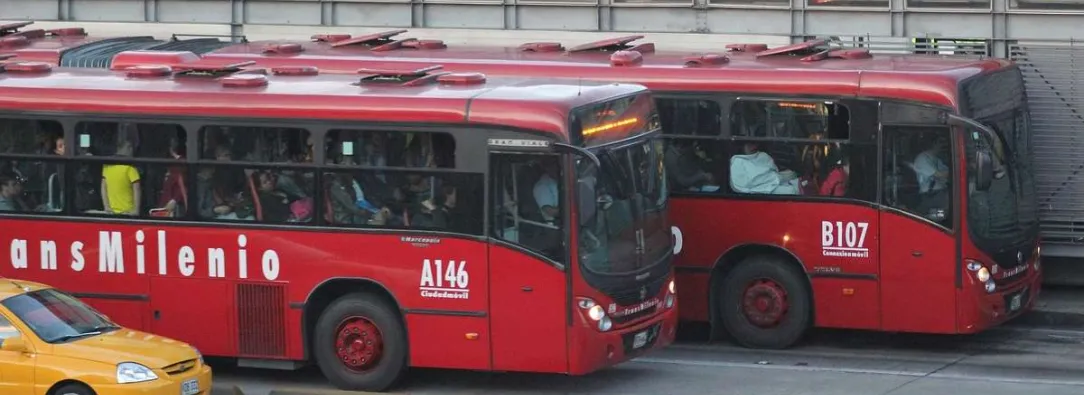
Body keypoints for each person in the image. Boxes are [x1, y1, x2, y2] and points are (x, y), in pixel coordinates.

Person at [729, 142, 800, 195]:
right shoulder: (738, 161)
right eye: (749, 144)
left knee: (797, 180)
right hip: (761, 190)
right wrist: (778, 178)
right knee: (791, 191)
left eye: (754, 143)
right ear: (743, 146)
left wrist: (781, 176)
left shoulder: (762, 155)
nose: (753, 147)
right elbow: (742, 184)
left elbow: (772, 171)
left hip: (773, 182)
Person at [100, 140, 141, 215]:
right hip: (128, 211)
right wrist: (136, 210)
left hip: (111, 212)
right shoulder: (130, 168)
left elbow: (103, 188)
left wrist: (106, 207)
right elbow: (137, 190)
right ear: (128, 148)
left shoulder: (107, 166)